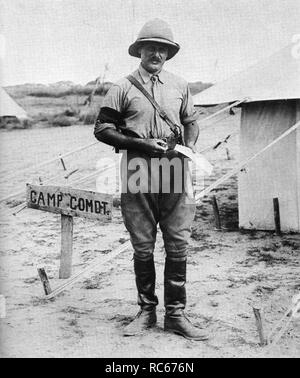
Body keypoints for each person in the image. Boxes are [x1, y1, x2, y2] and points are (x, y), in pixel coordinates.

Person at [94, 18, 208, 341]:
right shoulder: (123, 87)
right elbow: (102, 129)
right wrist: (139, 144)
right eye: (150, 47)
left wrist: (192, 144)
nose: (156, 53)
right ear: (139, 50)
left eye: (163, 48)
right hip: (137, 170)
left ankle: (176, 314)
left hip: (175, 169)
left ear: (168, 53)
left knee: (178, 241)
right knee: (142, 243)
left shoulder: (180, 85)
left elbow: (192, 121)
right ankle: (146, 311)